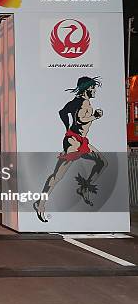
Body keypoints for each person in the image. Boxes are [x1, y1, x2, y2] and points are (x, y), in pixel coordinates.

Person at [34, 77, 107, 222]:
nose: (95, 91)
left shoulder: (74, 101)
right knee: (58, 175)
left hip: (80, 141)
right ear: (87, 89)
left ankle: (83, 188)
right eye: (93, 88)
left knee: (101, 162)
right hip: (73, 143)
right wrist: (95, 116)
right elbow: (80, 119)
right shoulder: (84, 102)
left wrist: (67, 128)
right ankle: (40, 203)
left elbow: (62, 112)